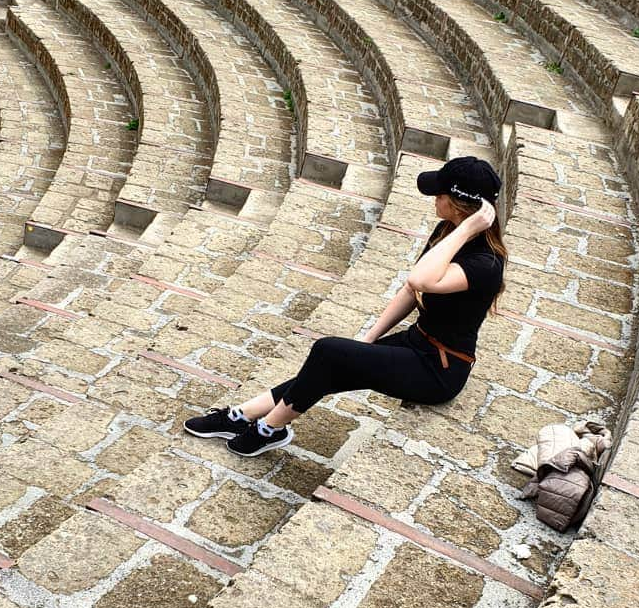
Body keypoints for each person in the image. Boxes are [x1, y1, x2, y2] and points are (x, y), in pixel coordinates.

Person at [184, 156, 508, 456]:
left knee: (329, 352)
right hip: (415, 343)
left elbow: (422, 279)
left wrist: (467, 229)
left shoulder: (485, 263)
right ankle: (241, 415)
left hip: (439, 370)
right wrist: (368, 339)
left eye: (439, 194)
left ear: (458, 205)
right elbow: (410, 290)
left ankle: (270, 429)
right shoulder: (445, 232)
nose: (433, 199)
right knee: (333, 364)